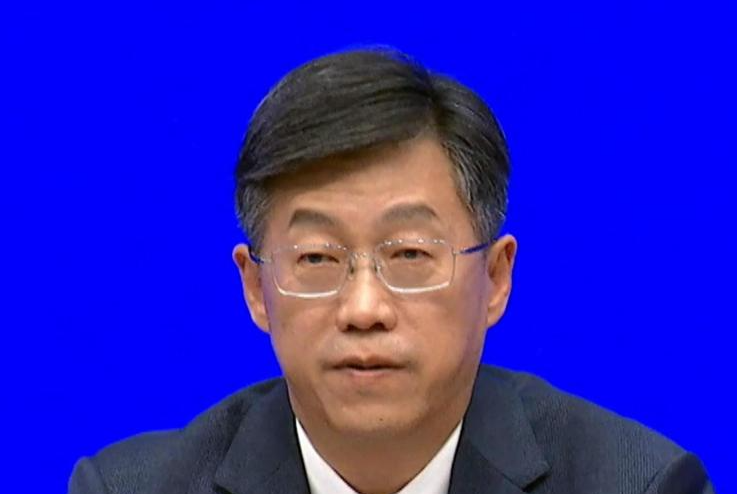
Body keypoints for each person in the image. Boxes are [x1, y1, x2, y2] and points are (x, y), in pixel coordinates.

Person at [69, 47, 713, 494]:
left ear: (495, 278)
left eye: (409, 254)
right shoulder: (131, 490)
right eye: (317, 259)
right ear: (256, 287)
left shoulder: (636, 484)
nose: (364, 309)